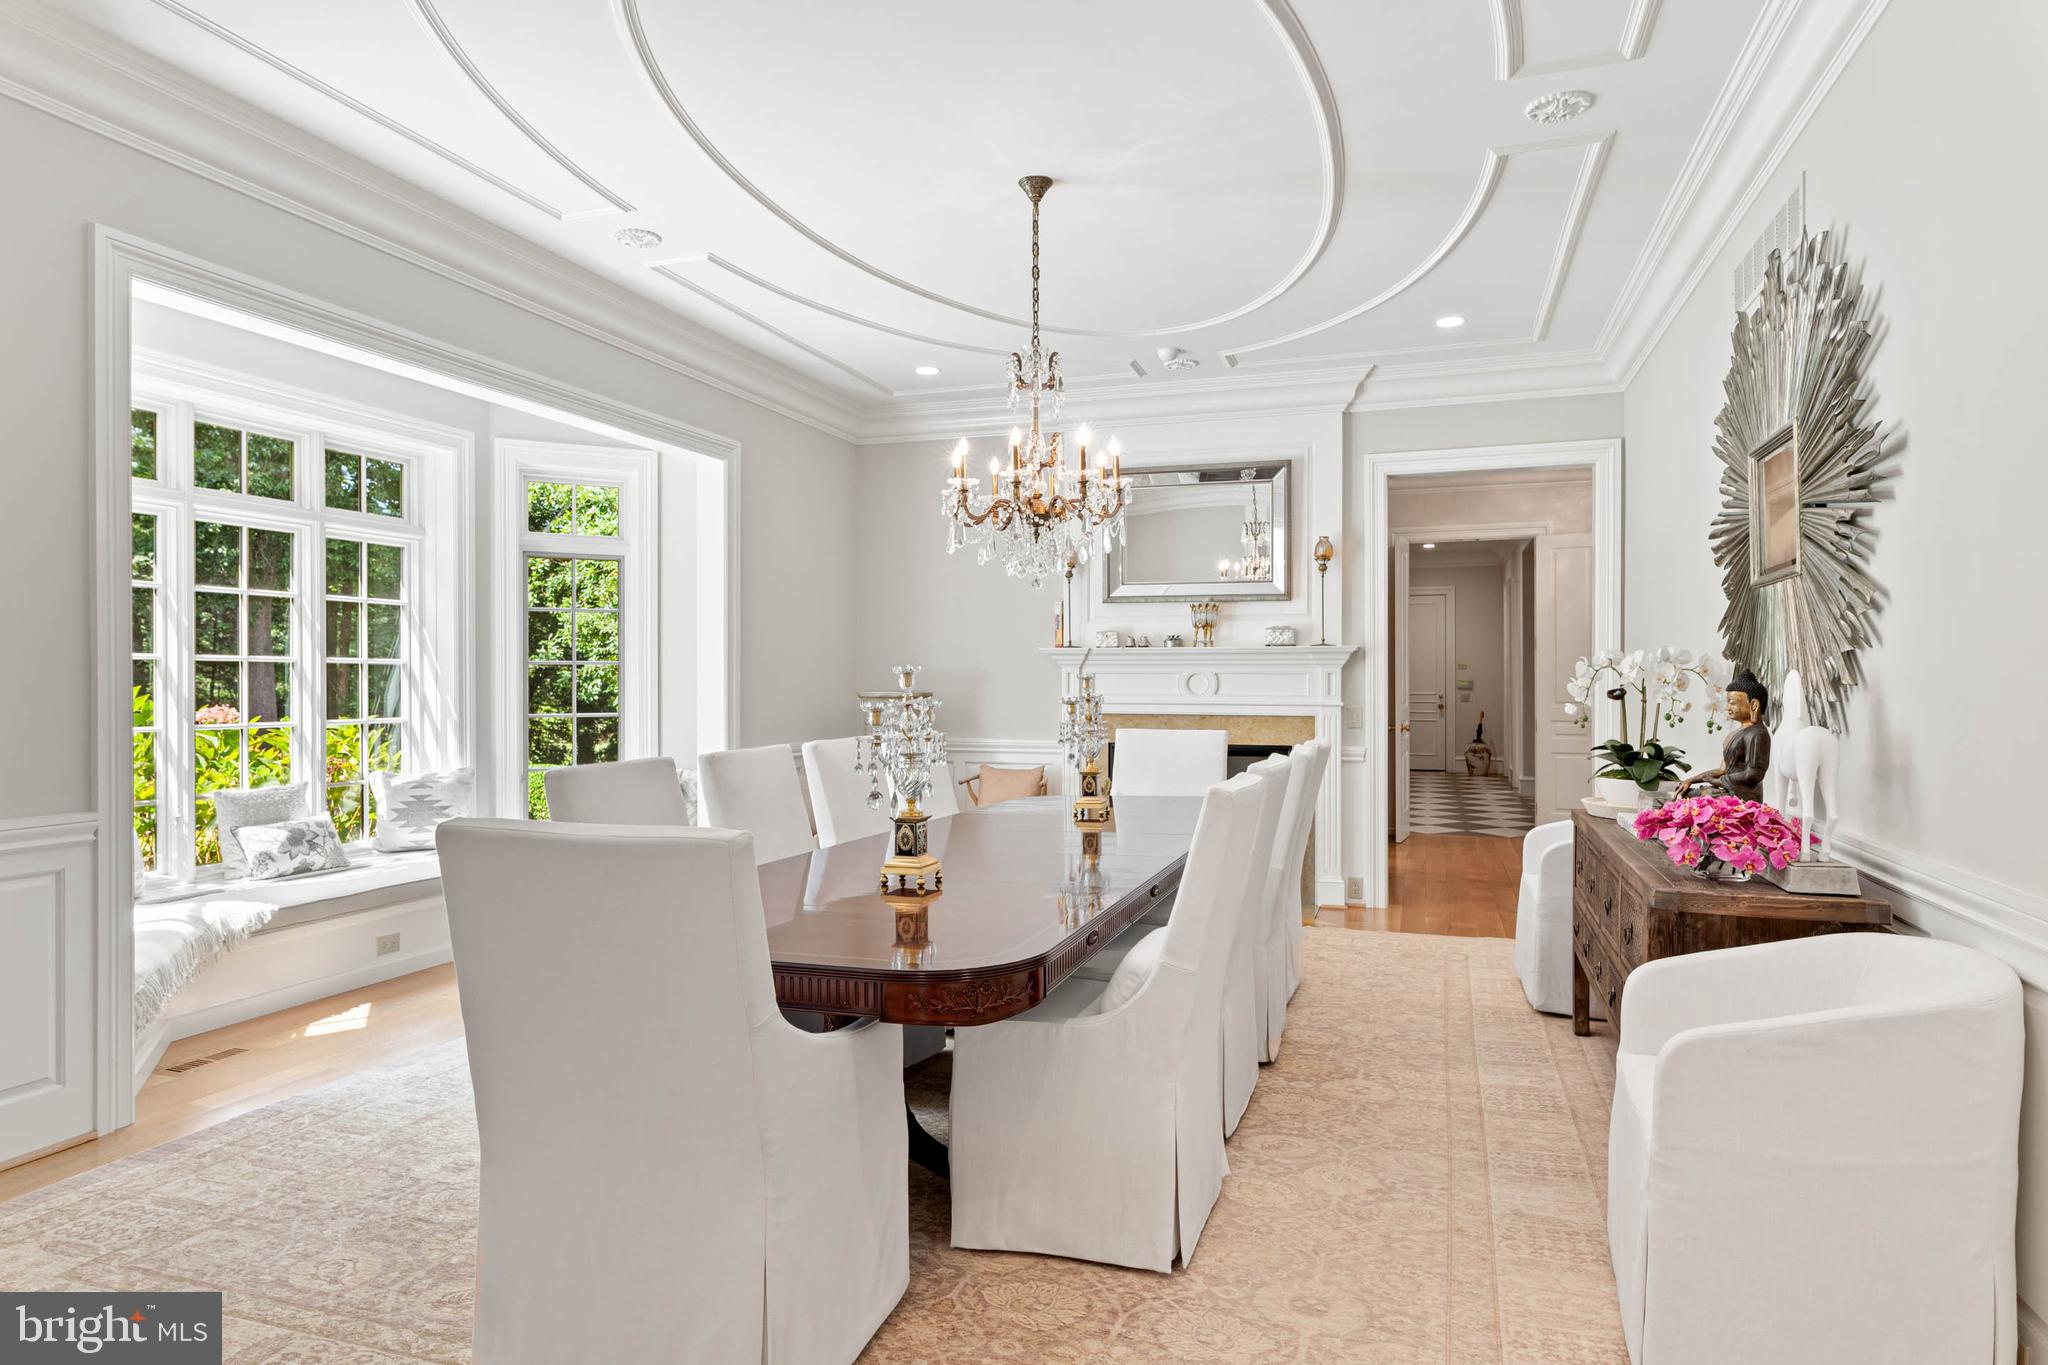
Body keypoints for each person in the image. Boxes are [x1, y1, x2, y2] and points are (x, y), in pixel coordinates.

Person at [1676, 669, 1772, 803]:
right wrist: (1690, 780)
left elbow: (1754, 774)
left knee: (1701, 796)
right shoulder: (1740, 732)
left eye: (1732, 702)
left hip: (1744, 796)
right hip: (1729, 789)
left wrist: (1718, 781)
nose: (1727, 707)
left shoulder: (1757, 734)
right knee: (1684, 792)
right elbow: (1723, 769)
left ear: (1754, 705)